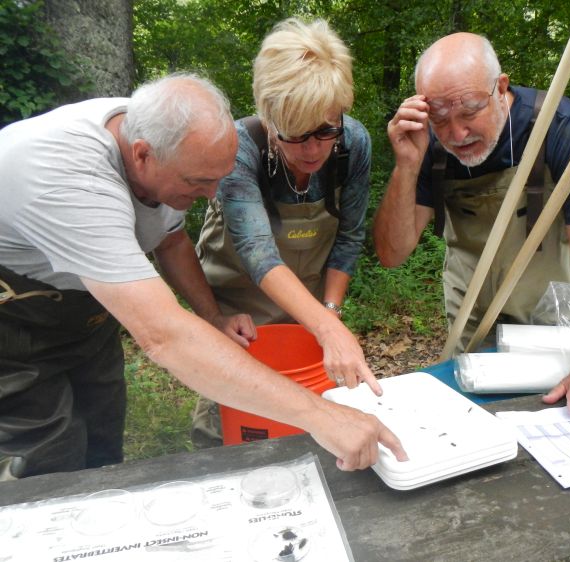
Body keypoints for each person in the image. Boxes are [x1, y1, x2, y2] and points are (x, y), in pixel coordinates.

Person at [0, 72, 406, 480]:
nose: (212, 195)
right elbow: (163, 336)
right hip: (15, 312)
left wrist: (212, 317)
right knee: (52, 457)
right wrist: (323, 416)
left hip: (85, 304)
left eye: (218, 178)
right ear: (141, 155)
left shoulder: (163, 129)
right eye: (199, 182)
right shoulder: (69, 181)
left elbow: (171, 238)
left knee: (102, 438)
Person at [373, 33, 570, 423]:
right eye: (440, 117)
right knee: (472, 420)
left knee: (551, 416)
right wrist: (406, 165)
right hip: (470, 309)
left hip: (549, 310)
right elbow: (392, 254)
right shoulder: (426, 144)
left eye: (470, 112)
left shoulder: (561, 128)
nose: (457, 134)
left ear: (500, 87)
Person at [191, 18, 377, 448]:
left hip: (306, 317)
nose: (313, 150)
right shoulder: (236, 149)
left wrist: (328, 314)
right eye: (295, 135)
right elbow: (258, 251)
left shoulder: (353, 147)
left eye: (326, 130)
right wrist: (330, 330)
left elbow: (349, 239)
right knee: (228, 431)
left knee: (307, 431)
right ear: (268, 116)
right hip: (238, 321)